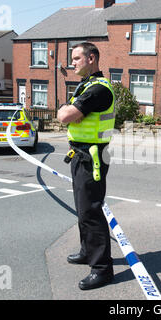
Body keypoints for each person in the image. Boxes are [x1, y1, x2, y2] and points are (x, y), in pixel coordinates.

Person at [57, 42, 115, 290]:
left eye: (77, 58)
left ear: (92, 58)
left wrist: (65, 110)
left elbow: (64, 116)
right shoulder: (87, 86)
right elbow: (69, 113)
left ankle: (102, 268)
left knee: (91, 211)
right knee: (83, 209)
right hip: (82, 154)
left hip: (92, 157)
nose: (73, 63)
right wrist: (67, 110)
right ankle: (87, 251)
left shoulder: (98, 89)